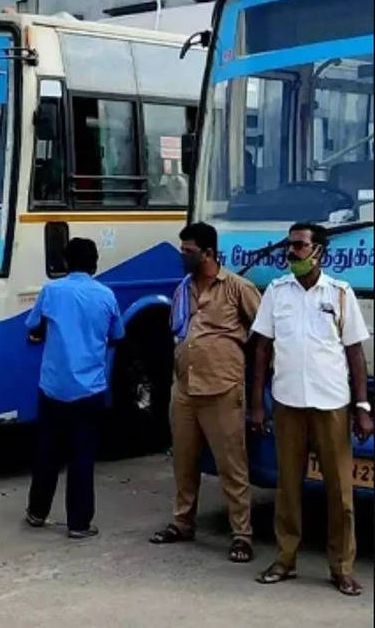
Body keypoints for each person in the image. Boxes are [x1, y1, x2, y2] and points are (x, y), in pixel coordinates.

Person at [250, 222, 371, 597]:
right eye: (290, 245)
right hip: (287, 405)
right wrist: (257, 403)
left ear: (319, 252)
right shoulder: (276, 291)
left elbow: (354, 353)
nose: (292, 253)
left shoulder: (339, 294)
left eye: (300, 246)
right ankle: (285, 559)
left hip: (332, 404)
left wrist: (362, 406)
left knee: (340, 492)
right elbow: (261, 349)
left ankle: (342, 567)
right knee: (288, 488)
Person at [150, 223, 259, 562]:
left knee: (232, 466)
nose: (183, 257)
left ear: (209, 253)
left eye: (189, 252)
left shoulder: (238, 288)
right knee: (184, 462)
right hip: (184, 389)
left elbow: (264, 336)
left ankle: (241, 534)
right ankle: (183, 522)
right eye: (182, 250)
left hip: (222, 389)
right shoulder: (183, 289)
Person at [23, 238, 123, 540]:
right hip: (90, 389)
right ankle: (79, 524)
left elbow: (33, 326)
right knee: (82, 456)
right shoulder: (106, 296)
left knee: (47, 452)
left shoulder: (51, 291)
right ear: (94, 263)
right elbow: (117, 334)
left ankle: (37, 512)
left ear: (66, 263)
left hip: (53, 386)